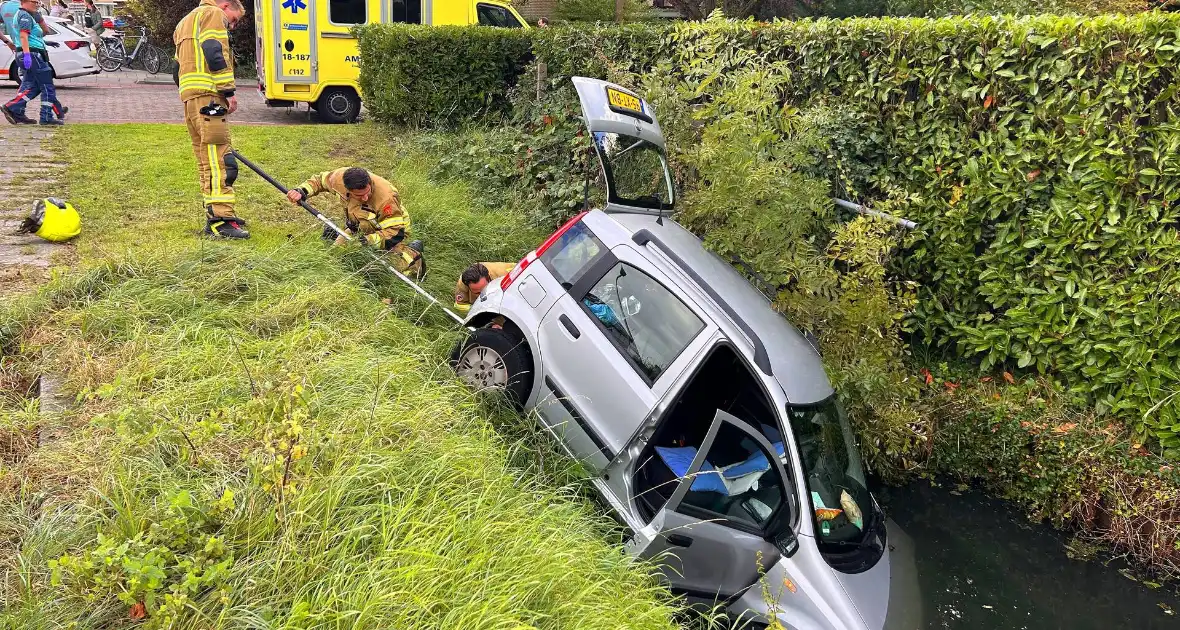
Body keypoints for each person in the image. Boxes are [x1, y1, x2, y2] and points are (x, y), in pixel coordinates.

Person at [175, 0, 246, 239]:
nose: (232, 26)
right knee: (220, 160)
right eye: (233, 20)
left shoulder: (185, 22)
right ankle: (221, 220)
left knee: (206, 161)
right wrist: (228, 91)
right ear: (225, 5)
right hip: (210, 99)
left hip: (190, 100)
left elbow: (177, 70)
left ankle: (214, 214)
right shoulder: (214, 14)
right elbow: (215, 51)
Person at [286, 167, 425, 277]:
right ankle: (342, 238)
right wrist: (301, 191)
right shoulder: (338, 179)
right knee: (336, 257)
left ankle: (414, 255)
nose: (365, 198)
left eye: (367, 192)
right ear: (347, 188)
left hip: (392, 228)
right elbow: (319, 180)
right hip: (359, 226)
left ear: (369, 182)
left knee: (384, 271)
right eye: (359, 195)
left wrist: (365, 242)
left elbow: (394, 233)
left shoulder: (386, 198)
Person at [2, 0, 67, 126]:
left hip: (30, 53)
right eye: (35, 1)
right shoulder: (25, 16)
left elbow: (34, 36)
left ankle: (16, 109)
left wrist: (45, 43)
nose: (37, 4)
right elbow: (23, 36)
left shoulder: (27, 15)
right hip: (32, 55)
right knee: (47, 87)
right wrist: (27, 55)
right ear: (25, 1)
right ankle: (45, 117)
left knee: (33, 87)